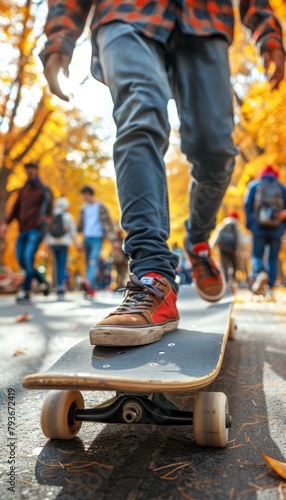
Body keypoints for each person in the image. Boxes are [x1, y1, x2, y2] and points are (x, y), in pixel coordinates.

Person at [40, 0, 285, 346]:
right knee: (139, 118)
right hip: (125, 13)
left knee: (214, 150)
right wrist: (59, 38)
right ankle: (152, 276)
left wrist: (268, 33)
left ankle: (198, 242)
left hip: (205, 19)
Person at [0, 162, 53, 302]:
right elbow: (14, 210)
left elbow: (49, 212)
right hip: (22, 229)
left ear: (37, 172)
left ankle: (25, 290)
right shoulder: (23, 191)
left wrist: (47, 225)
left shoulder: (44, 191)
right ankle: (43, 282)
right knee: (21, 260)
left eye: (32, 171)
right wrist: (5, 223)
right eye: (28, 172)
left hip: (36, 230)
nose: (30, 174)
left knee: (28, 257)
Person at [245, 165, 286, 294]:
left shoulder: (254, 186)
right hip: (276, 229)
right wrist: (283, 227)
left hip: (258, 228)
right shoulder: (281, 188)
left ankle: (260, 272)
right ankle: (270, 287)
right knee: (272, 258)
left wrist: (250, 225)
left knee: (257, 255)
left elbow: (247, 204)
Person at [78, 186, 115, 296]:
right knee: (87, 261)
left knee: (93, 259)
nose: (83, 197)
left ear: (89, 194)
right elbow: (80, 225)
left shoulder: (101, 207)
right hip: (86, 237)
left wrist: (113, 239)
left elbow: (108, 224)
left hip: (97, 237)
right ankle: (91, 287)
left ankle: (88, 281)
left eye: (84, 195)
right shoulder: (83, 208)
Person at [46, 197, 80, 299]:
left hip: (53, 244)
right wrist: (77, 244)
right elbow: (73, 232)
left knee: (55, 265)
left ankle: (56, 285)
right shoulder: (67, 216)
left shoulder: (51, 216)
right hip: (63, 244)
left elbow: (47, 231)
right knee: (62, 265)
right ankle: (60, 286)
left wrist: (47, 244)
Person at [210, 211, 246, 284]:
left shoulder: (222, 226)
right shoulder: (236, 228)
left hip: (222, 250)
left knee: (224, 267)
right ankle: (233, 281)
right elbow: (239, 241)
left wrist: (210, 248)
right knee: (235, 266)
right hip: (233, 251)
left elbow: (215, 238)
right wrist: (244, 250)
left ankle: (225, 282)